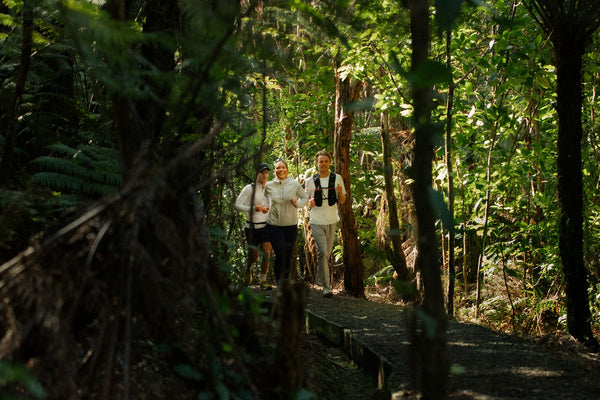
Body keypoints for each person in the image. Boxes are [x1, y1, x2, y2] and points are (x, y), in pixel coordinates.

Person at [304, 150, 346, 297]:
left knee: (326, 253)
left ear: (330, 163)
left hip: (332, 219)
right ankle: (327, 287)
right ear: (316, 163)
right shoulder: (310, 181)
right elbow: (306, 201)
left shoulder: (337, 178)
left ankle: (319, 277)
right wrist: (309, 202)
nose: (323, 164)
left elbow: (342, 200)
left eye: (326, 161)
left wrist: (339, 192)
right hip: (316, 220)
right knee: (322, 251)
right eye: (320, 161)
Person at [264, 159, 308, 286]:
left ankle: (285, 281)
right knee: (280, 252)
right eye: (278, 168)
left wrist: (297, 203)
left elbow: (305, 197)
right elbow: (264, 200)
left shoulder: (294, 184)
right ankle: (280, 282)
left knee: (287, 255)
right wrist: (265, 207)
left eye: (283, 167)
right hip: (274, 225)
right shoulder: (269, 186)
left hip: (291, 225)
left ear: (287, 170)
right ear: (274, 171)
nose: (280, 169)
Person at [234, 163, 273, 289]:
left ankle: (263, 280)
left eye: (266, 173)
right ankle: (249, 270)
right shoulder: (249, 189)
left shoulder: (269, 189)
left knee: (267, 251)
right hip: (251, 227)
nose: (264, 175)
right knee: (254, 257)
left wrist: (267, 210)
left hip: (265, 226)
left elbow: (271, 205)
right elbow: (237, 205)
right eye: (262, 173)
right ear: (257, 174)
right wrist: (253, 208)